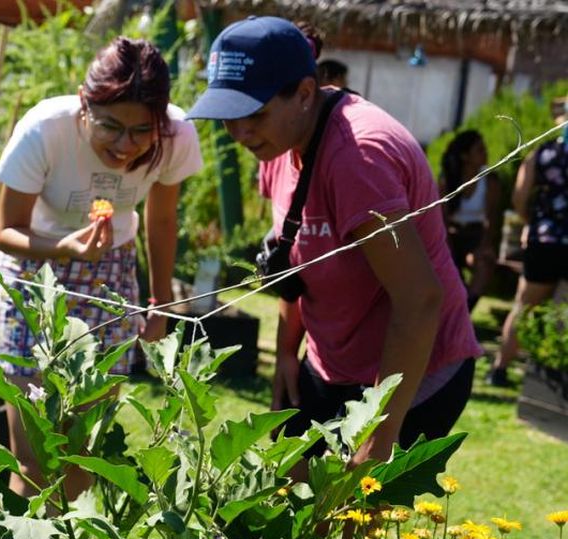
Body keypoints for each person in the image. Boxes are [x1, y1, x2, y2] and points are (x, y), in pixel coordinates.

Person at [186, 16, 481, 467]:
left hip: (411, 373)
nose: (239, 133)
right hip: (333, 362)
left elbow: (420, 299)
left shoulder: (358, 159)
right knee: (289, 500)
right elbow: (295, 258)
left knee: (348, 523)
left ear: (305, 94)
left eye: (254, 115)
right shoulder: (279, 144)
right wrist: (287, 352)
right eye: (229, 118)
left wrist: (379, 436)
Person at [0, 36, 203, 498]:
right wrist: (64, 248)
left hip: (110, 274)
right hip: (32, 273)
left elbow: (161, 219)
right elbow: (6, 232)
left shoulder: (177, 135)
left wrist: (159, 301)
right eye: (111, 126)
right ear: (85, 104)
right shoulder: (45, 128)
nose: (126, 145)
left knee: (81, 447)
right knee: (34, 452)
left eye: (142, 131)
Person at [487, 96, 568, 387]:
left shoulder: (542, 153)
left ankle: (499, 368)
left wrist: (532, 222)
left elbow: (520, 196)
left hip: (545, 239)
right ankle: (552, 374)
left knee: (525, 307)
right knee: (563, 312)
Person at [439, 130, 501, 310]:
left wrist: (484, 245)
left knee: (484, 264)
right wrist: (447, 245)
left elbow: (492, 218)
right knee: (444, 264)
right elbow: (441, 218)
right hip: (451, 235)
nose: (486, 153)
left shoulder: (489, 180)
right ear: (465, 156)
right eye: (480, 150)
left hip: (476, 235)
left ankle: (465, 308)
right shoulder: (448, 179)